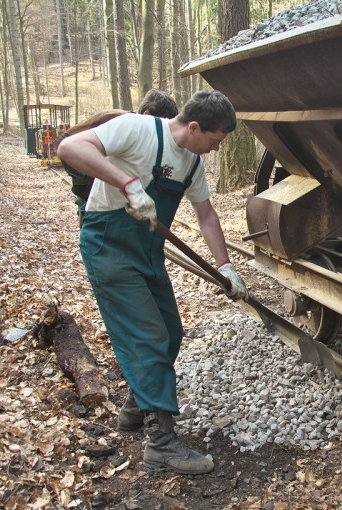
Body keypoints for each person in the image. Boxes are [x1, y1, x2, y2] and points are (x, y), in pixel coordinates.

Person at [57, 90, 247, 475]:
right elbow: (70, 146)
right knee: (147, 337)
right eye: (214, 140)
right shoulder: (136, 129)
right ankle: (160, 443)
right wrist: (127, 183)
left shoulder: (192, 164)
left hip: (147, 251)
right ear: (194, 127)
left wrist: (225, 266)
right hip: (109, 245)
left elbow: (207, 215)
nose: (215, 149)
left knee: (171, 332)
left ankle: (135, 407)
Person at [61, 89, 179, 226]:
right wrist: (96, 179)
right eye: (162, 124)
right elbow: (66, 143)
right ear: (147, 115)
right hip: (91, 198)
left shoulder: (146, 138)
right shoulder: (112, 120)